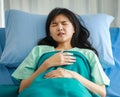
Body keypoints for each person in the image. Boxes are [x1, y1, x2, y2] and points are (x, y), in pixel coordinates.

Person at [12, 7, 110, 97]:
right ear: (50, 32)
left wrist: (73, 75)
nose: (59, 28)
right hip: (40, 92)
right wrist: (46, 64)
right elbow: (22, 88)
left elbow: (101, 92)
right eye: (54, 24)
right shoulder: (38, 51)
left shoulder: (88, 54)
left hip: (77, 92)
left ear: (74, 29)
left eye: (64, 23)